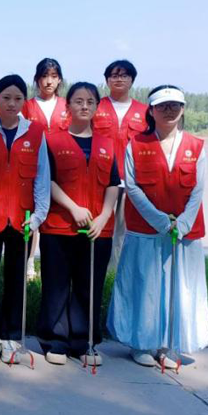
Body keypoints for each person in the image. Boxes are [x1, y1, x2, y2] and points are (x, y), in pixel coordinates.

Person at [107, 85, 208, 367]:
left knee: (180, 289)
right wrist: (161, 221)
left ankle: (171, 344)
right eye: (162, 106)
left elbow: (198, 190)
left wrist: (183, 222)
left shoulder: (196, 146)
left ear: (183, 109)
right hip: (145, 229)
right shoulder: (136, 144)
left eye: (175, 105)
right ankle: (141, 343)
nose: (169, 111)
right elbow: (132, 187)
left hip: (185, 232)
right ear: (151, 111)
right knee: (144, 287)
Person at [38, 82, 120, 365]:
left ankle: (84, 343)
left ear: (97, 106)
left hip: (98, 229)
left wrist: (104, 216)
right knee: (56, 285)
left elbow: (113, 183)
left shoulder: (107, 144)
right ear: (68, 105)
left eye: (90, 102)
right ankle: (55, 341)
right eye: (78, 101)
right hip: (59, 225)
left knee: (89, 286)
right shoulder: (52, 140)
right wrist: (72, 208)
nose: (84, 106)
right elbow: (46, 180)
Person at [0, 74, 50, 364]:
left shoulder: (36, 133)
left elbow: (42, 177)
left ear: (24, 102)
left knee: (16, 279)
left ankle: (11, 335)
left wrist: (39, 216)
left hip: (22, 218)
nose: (11, 104)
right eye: (6, 98)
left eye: (17, 98)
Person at [92, 59, 148, 269]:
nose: (119, 79)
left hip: (131, 179)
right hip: (101, 178)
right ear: (107, 80)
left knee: (125, 227)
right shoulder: (96, 106)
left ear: (132, 80)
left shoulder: (144, 111)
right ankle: (97, 267)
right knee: (100, 223)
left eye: (124, 75)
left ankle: (118, 270)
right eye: (114, 75)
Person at [21, 57, 68, 279]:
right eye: (44, 76)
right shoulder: (26, 106)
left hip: (62, 165)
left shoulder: (67, 106)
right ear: (37, 79)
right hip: (35, 163)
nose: (49, 81)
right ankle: (30, 262)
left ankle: (57, 262)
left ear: (59, 80)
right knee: (35, 212)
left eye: (53, 76)